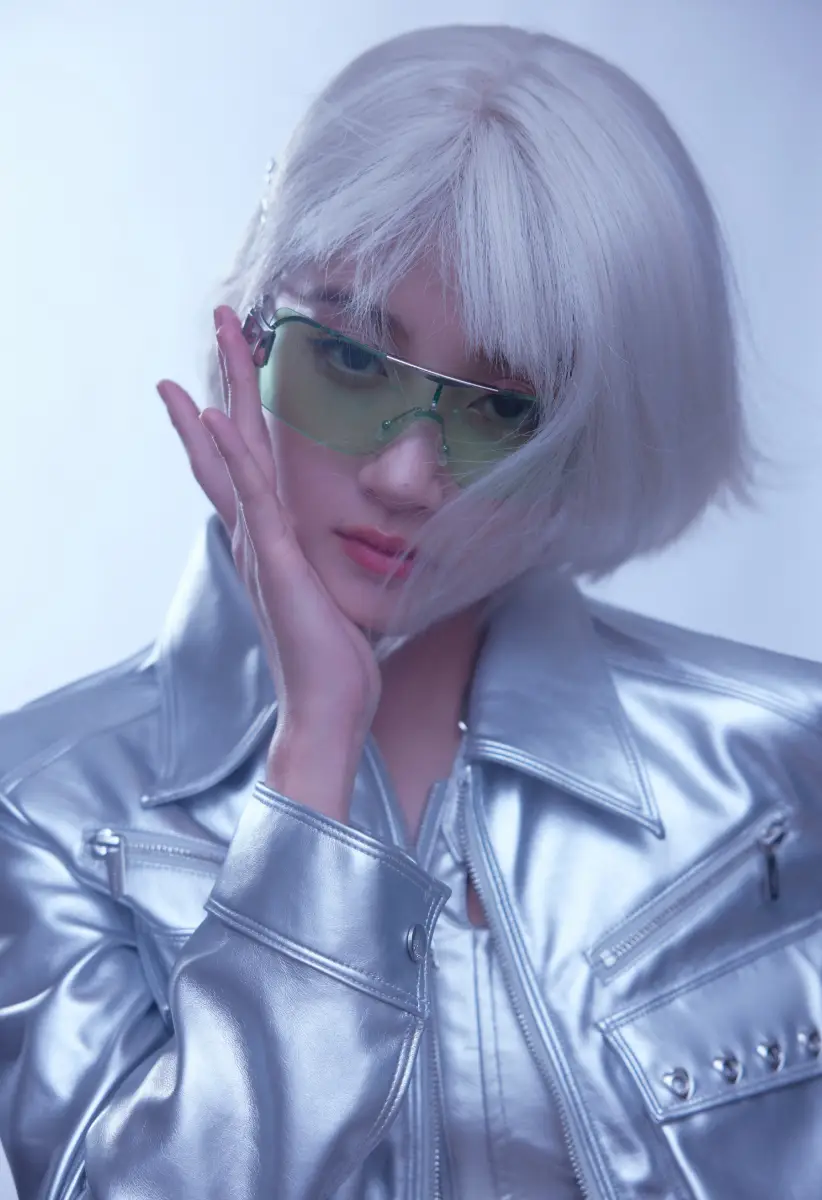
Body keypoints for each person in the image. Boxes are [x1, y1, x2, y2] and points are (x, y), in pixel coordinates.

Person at [1, 21, 820, 1200]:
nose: (404, 477)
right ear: (248, 342)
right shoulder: (49, 811)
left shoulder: (780, 772)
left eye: (502, 410)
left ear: (601, 430)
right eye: (348, 364)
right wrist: (315, 750)